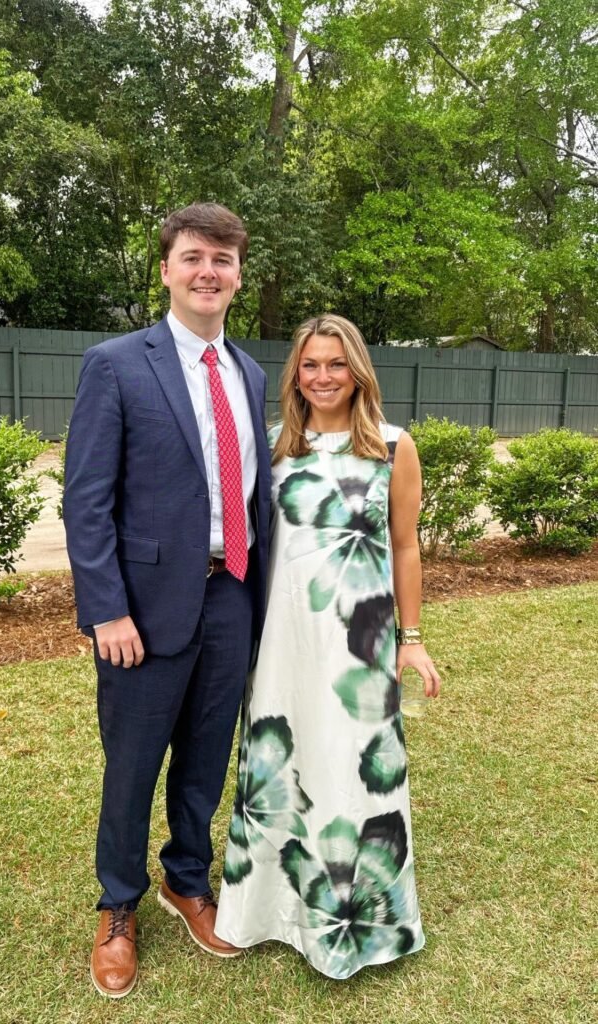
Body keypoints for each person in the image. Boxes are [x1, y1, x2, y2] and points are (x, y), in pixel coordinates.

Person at [62, 203, 271, 998]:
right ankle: (118, 904)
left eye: (222, 259)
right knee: (133, 765)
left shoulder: (249, 372)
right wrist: (106, 609)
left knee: (206, 758)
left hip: (231, 597)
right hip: (142, 611)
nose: (207, 271)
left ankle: (187, 880)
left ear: (238, 275)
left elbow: (252, 494)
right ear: (166, 270)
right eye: (193, 257)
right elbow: (86, 501)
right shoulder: (116, 364)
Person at [215, 313, 441, 980]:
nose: (323, 377)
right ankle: (264, 913)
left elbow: (404, 547)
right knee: (279, 768)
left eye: (336, 364)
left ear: (358, 371)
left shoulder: (393, 448)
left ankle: (358, 921)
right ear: (295, 375)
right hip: (281, 641)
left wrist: (411, 639)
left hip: (359, 645)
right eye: (310, 365)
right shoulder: (271, 448)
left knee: (352, 767)